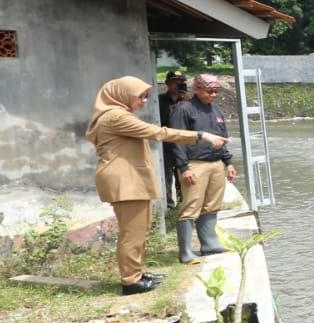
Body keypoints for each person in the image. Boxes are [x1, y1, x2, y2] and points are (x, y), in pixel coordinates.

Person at [85, 77, 225, 295]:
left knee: (140, 229)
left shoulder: (117, 115)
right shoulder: (115, 117)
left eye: (146, 96)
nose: (144, 101)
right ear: (121, 95)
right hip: (124, 181)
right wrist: (200, 135)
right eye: (139, 96)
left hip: (130, 180)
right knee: (132, 232)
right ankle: (130, 281)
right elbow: (157, 132)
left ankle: (138, 272)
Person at [172, 74, 238, 264]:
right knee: (191, 206)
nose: (214, 95)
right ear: (197, 89)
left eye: (216, 91)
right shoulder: (184, 110)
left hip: (216, 163)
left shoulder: (215, 110)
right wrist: (184, 167)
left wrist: (228, 162)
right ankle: (185, 252)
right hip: (195, 164)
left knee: (212, 205)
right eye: (210, 91)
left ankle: (209, 244)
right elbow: (177, 140)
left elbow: (222, 139)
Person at [157, 70, 186, 206]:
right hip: (165, 145)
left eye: (181, 82)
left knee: (183, 175)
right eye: (175, 82)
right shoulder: (159, 101)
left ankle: (183, 202)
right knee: (166, 176)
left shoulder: (188, 102)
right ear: (168, 84)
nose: (178, 85)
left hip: (183, 145)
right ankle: (169, 205)